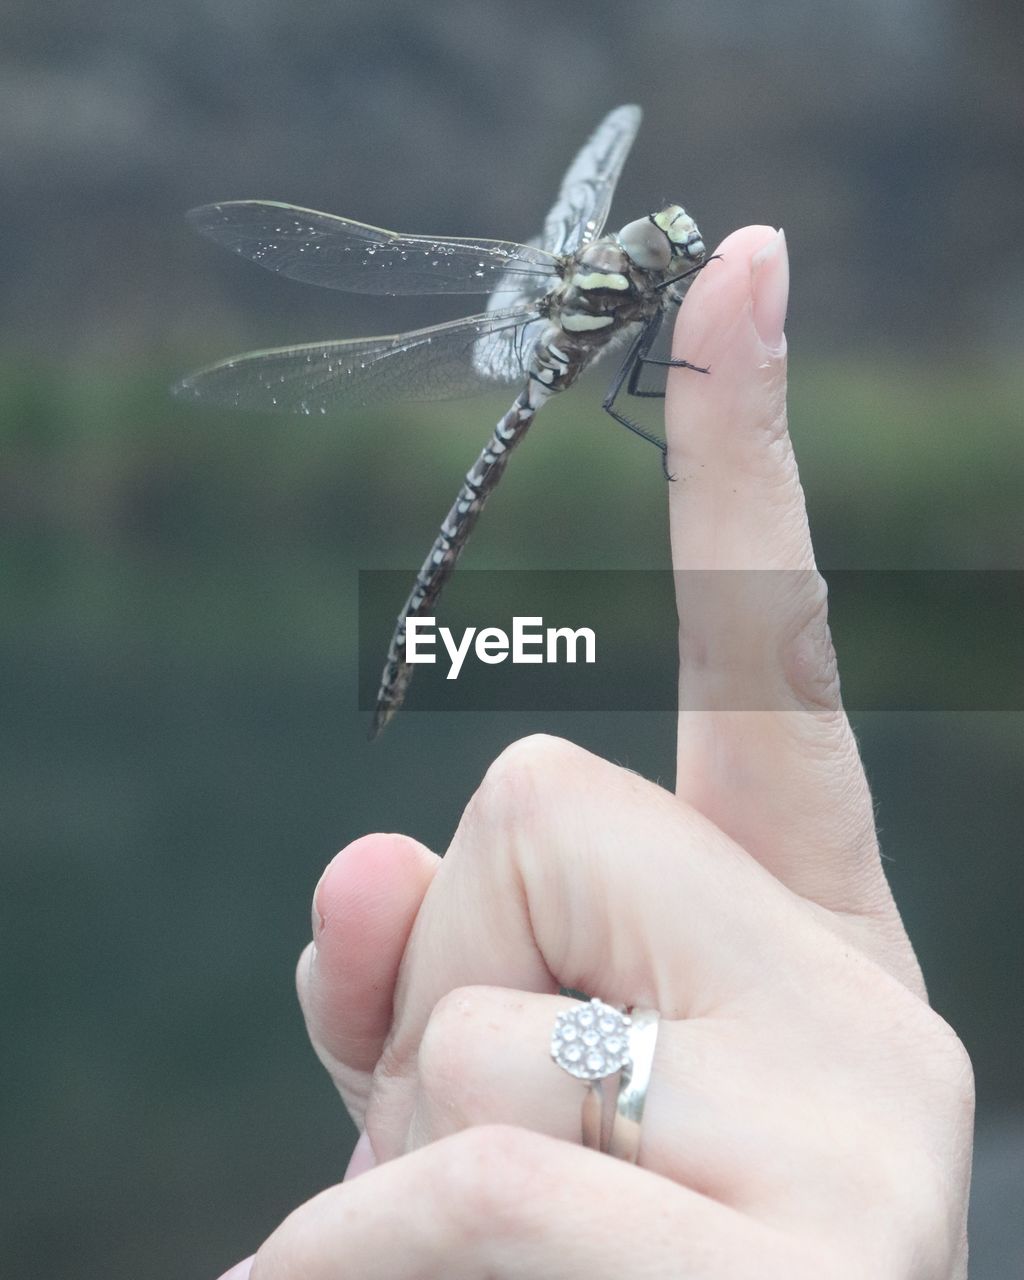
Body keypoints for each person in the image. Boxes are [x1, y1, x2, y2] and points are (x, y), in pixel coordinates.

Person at [216, 226, 974, 1279]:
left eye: (678, 248)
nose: (683, 248)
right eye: (671, 249)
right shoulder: (616, 299)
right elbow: (630, 394)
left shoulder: (629, 287)